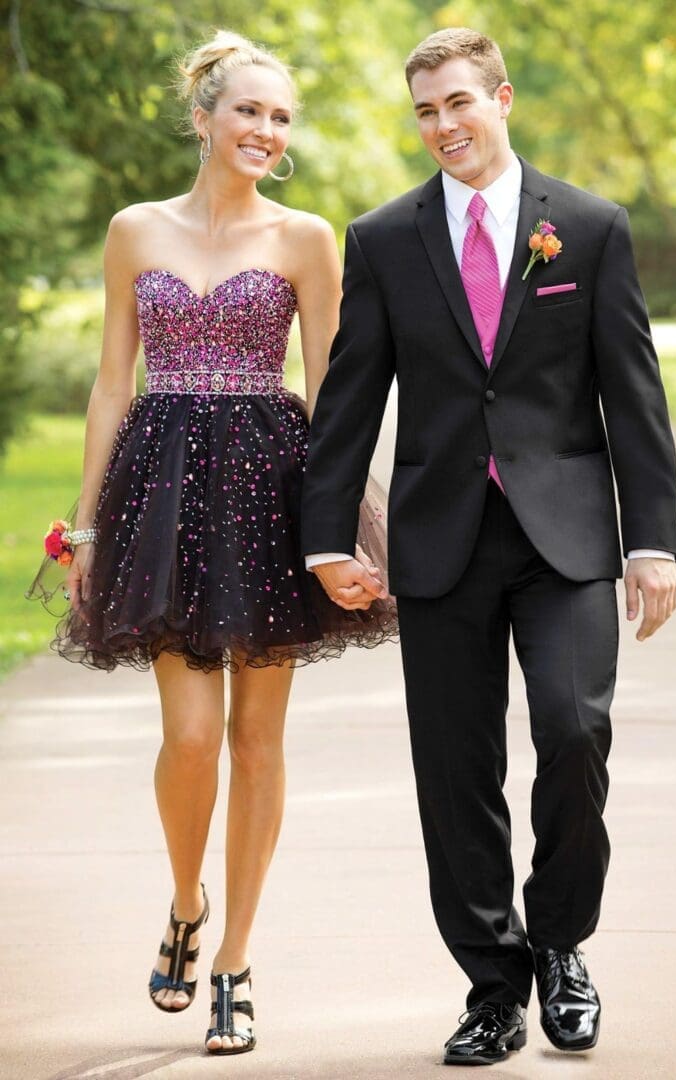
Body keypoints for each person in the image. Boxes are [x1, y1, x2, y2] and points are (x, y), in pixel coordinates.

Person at [301, 27, 676, 1067]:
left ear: (502, 98)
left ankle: (561, 942)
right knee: (454, 770)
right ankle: (489, 986)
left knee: (574, 732)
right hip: (440, 540)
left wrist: (653, 541)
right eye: (424, 110)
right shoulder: (382, 239)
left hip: (564, 537)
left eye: (459, 102)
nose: (442, 126)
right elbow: (347, 404)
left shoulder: (591, 228)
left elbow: (633, 395)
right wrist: (325, 538)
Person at [28, 30, 396, 1057]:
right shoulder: (133, 231)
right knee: (189, 741)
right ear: (203, 116)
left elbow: (335, 391)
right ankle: (184, 900)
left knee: (257, 740)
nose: (265, 131)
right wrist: (91, 520)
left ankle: (235, 955)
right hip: (163, 496)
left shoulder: (307, 238)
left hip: (276, 492)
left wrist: (338, 525)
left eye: (280, 118)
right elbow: (112, 383)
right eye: (248, 111)